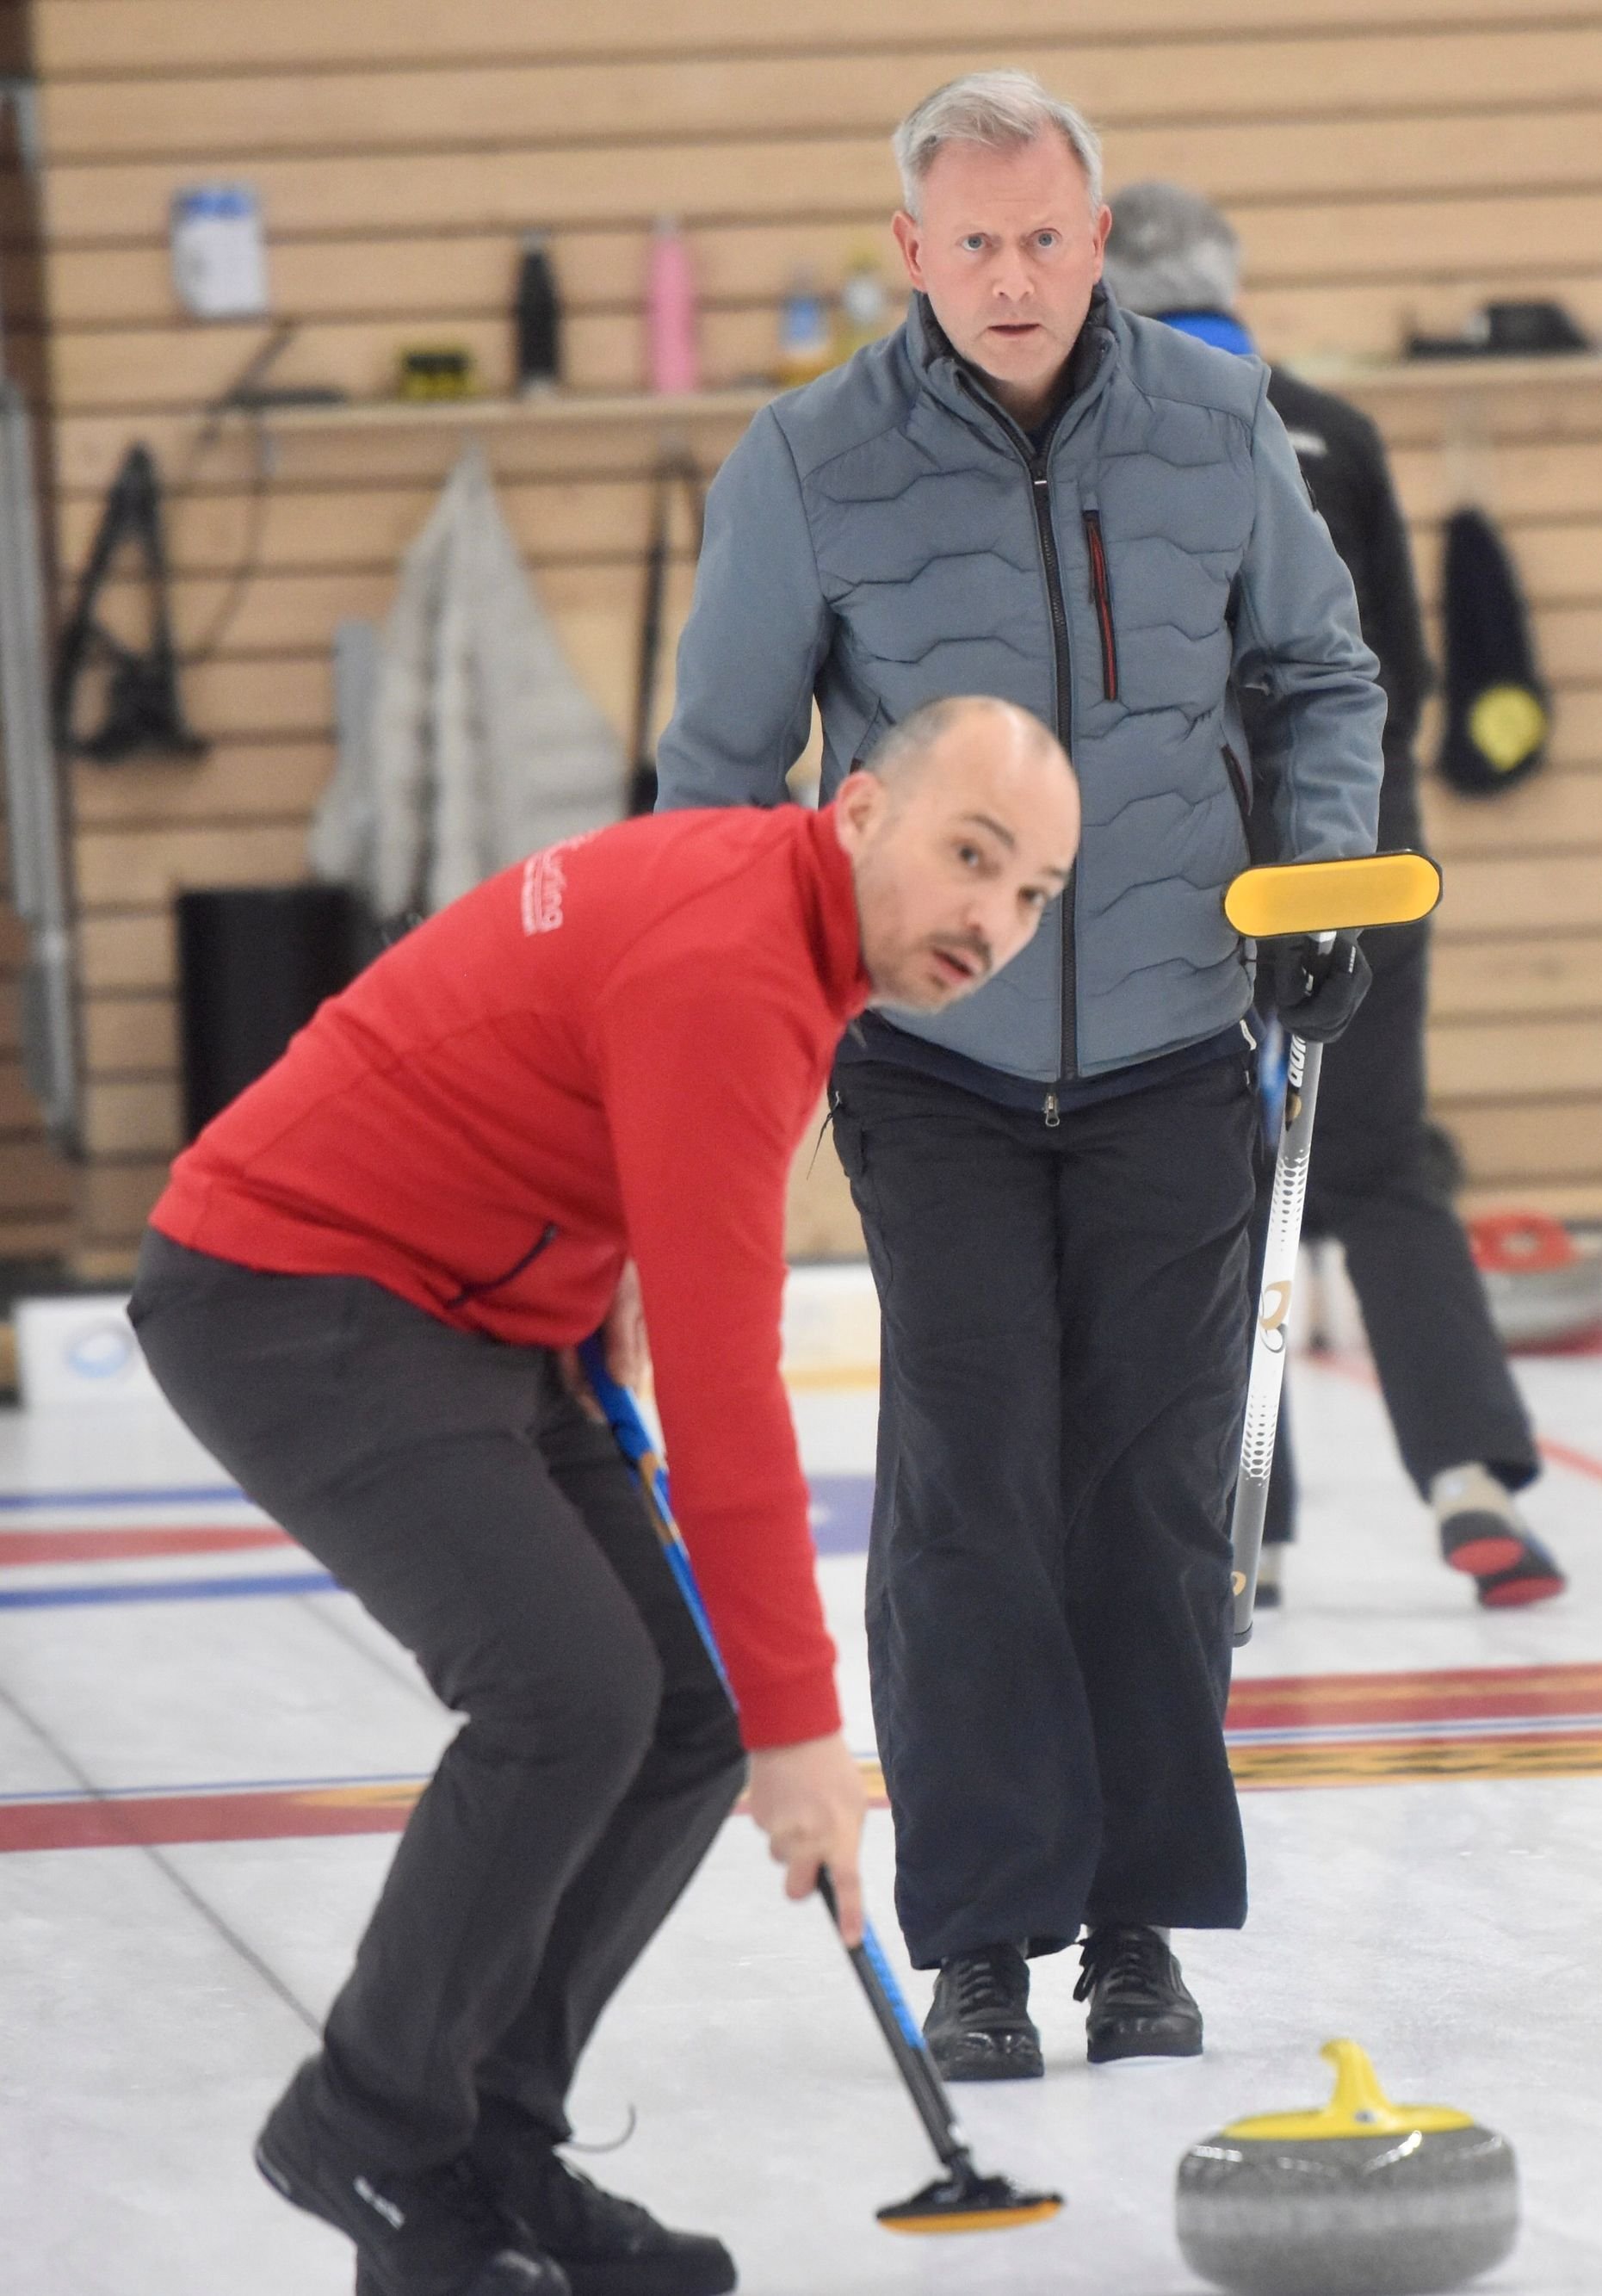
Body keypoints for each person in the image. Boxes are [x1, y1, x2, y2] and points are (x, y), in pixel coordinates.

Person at [129, 698, 1080, 2296]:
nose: (992, 921)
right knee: (569, 1691)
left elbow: (562, 1056)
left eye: (1035, 895)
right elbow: (726, 1403)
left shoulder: (774, 918)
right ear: (858, 813)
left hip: (492, 1302)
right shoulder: (737, 971)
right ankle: (364, 2124)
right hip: (296, 1289)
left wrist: (611, 1248)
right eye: (970, 858)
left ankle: (485, 2142)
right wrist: (807, 1739)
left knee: (679, 1700)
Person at [653, 71, 1386, 2083]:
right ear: (909, 249)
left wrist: (1313, 882)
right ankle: (982, 1932)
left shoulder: (1215, 424)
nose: (1010, 274)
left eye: (1043, 236)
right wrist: (740, 1009)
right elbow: (719, 776)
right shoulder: (808, 461)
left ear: (1096, 237)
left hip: (1170, 1040)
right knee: (971, 1498)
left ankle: (1137, 1925)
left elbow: (1318, 672)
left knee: (1143, 1498)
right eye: (968, 240)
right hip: (933, 1060)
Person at [1104, 177, 1567, 1612]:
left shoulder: (1107, 428)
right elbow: (1401, 681)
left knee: (1213, 1171)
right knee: (1376, 1161)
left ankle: (1256, 1530)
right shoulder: (1340, 429)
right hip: (1361, 836)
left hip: (1188, 848)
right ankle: (1471, 1479)